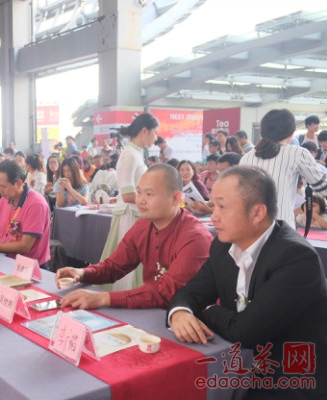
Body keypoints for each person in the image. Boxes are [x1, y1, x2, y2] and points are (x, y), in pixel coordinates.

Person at [167, 166, 327, 400]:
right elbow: (191, 293)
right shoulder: (223, 246)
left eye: (222, 207)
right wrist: (180, 313)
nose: (213, 216)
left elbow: (248, 331)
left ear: (257, 212)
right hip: (237, 365)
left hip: (290, 377)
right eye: (213, 205)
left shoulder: (296, 258)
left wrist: (207, 310)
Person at [57, 164, 213, 309]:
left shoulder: (195, 238)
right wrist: (83, 273)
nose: (141, 200)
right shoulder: (144, 224)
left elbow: (164, 293)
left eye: (149, 194)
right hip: (151, 311)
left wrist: (103, 298)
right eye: (139, 192)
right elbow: (114, 266)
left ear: (175, 198)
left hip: (188, 317)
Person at [100, 113, 159, 291]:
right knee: (128, 263)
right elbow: (127, 194)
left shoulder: (134, 153)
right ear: (144, 131)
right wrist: (155, 200)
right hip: (129, 213)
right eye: (155, 132)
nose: (156, 138)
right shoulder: (130, 155)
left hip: (134, 211)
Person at [240, 109, 327, 227]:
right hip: (281, 228)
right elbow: (324, 187)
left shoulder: (246, 157)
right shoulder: (297, 153)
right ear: (291, 132)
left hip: (249, 226)